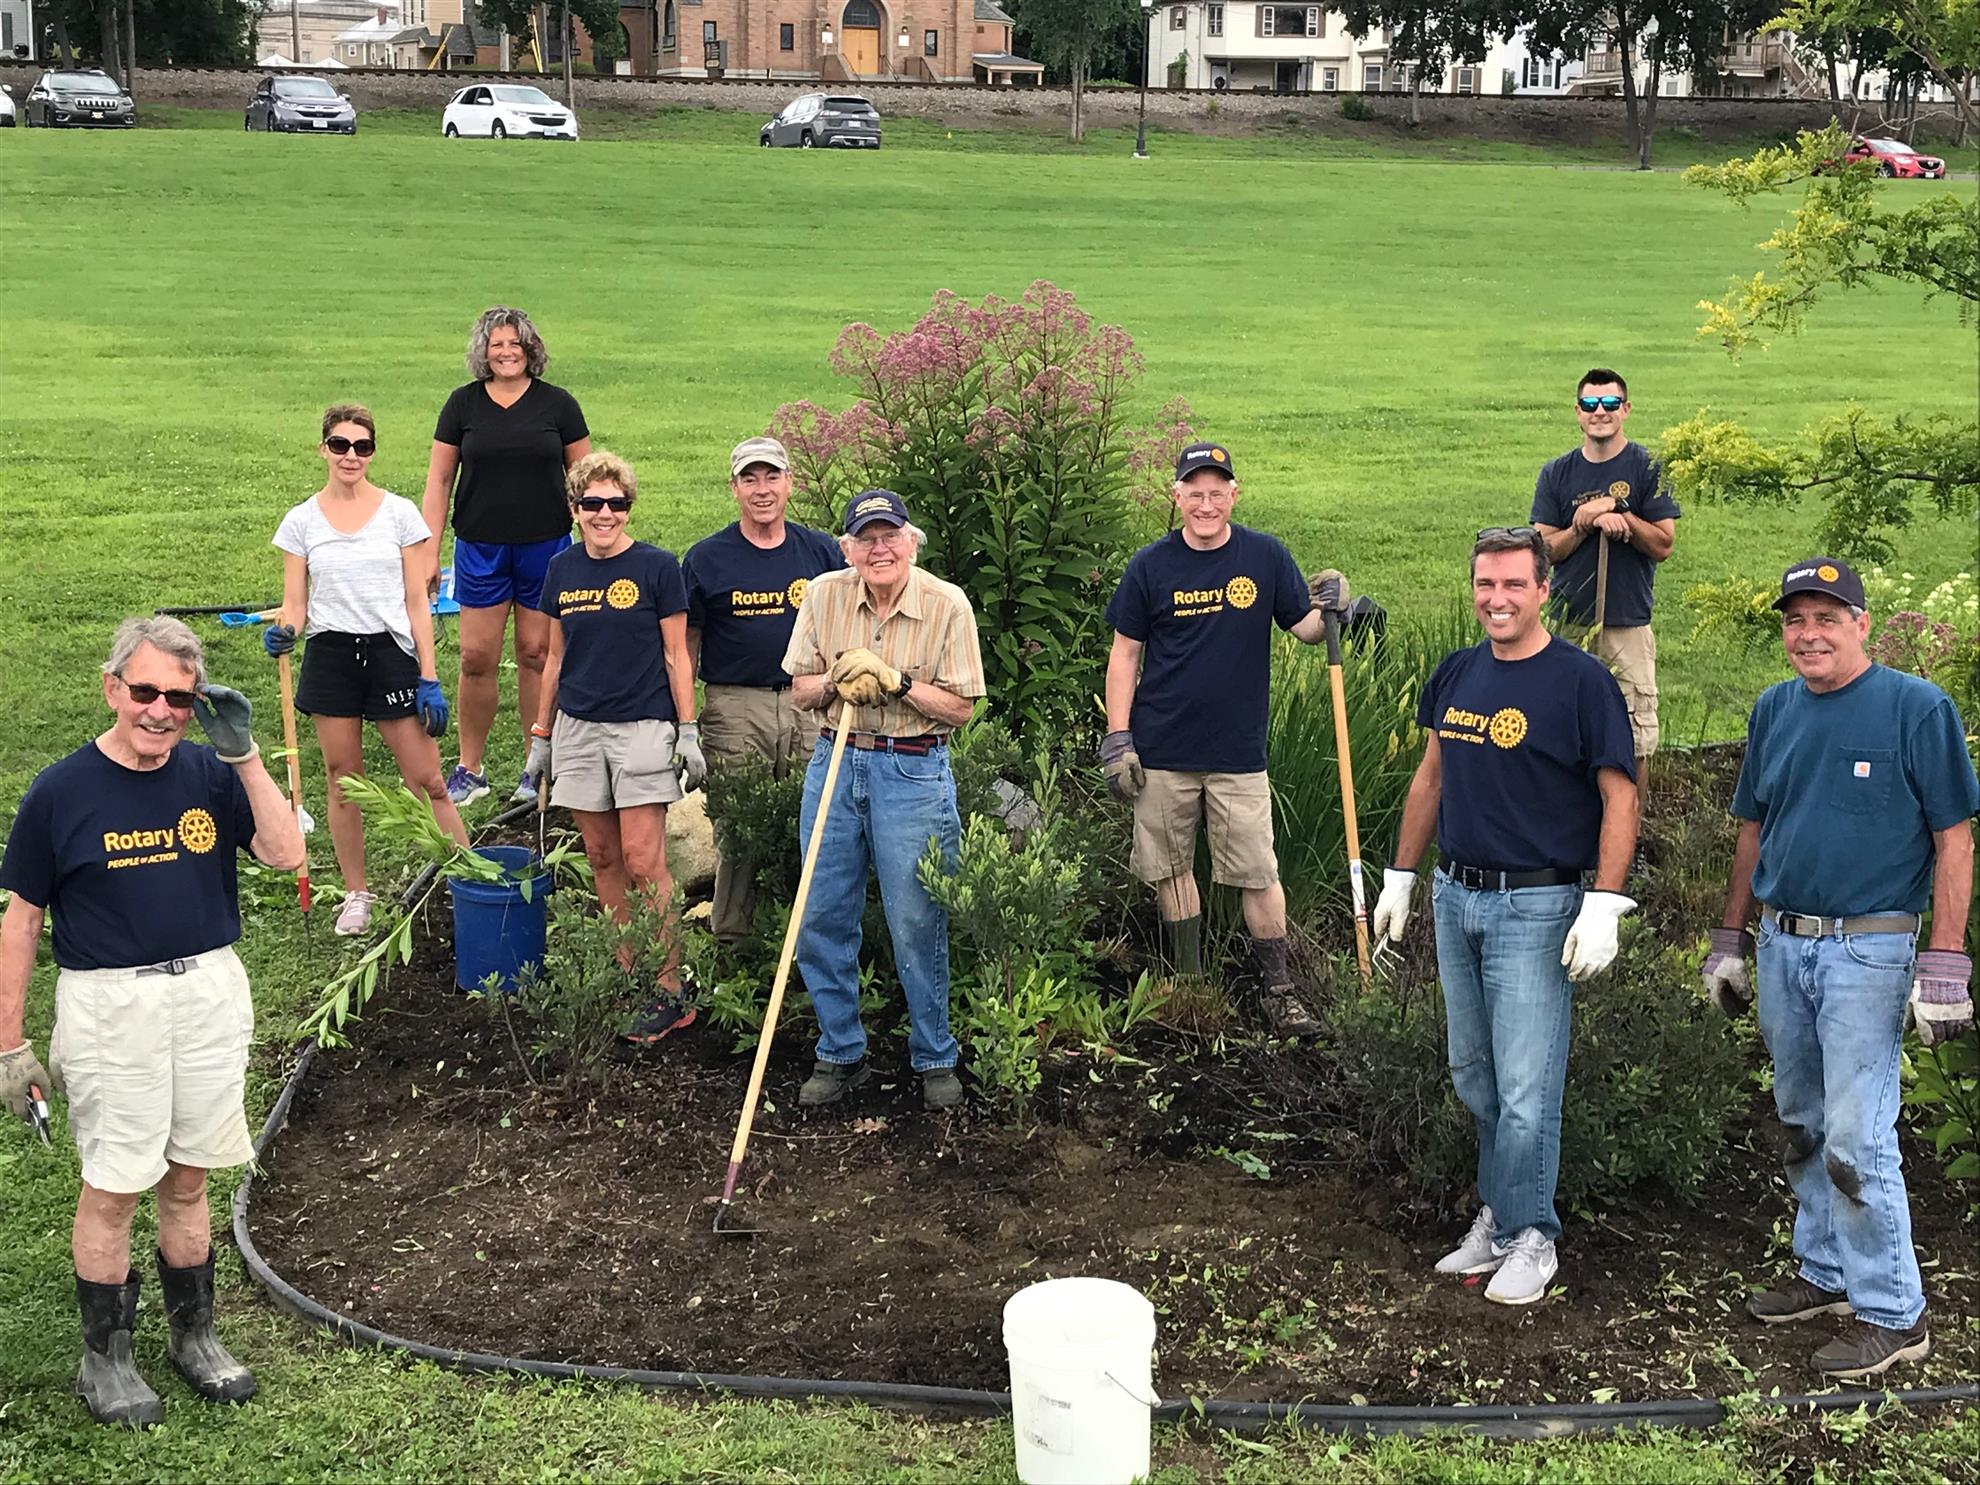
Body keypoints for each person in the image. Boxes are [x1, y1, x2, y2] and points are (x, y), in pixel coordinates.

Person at [0, 618, 305, 1427]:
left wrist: (243, 755)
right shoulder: (60, 791)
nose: (161, 711)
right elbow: (22, 918)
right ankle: (106, 1360)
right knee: (115, 1183)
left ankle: (193, 1338)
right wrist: (10, 1043)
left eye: (179, 696)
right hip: (112, 1003)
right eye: (145, 692)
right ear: (112, 689)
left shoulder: (209, 772)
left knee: (192, 1173)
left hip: (207, 990)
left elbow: (284, 854)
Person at [1701, 557, 1977, 1380]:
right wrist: (1730, 938)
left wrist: (1946, 963)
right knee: (1801, 1118)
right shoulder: (1775, 709)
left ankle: (1895, 1312)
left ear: (1861, 622)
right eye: (1795, 620)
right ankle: (1824, 1272)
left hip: (1870, 946)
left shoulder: (1915, 708)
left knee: (1858, 1135)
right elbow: (1753, 829)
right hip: (1786, 942)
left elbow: (1954, 838)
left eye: (1827, 617)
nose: (1809, 634)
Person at [1368, 526, 1639, 1306]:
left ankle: (1535, 1235)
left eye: (1514, 585)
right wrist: (1402, 876)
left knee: (1527, 1086)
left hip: (1537, 903)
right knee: (1474, 1073)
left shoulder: (1580, 682)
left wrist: (1603, 903)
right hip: (1459, 896)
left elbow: (1621, 795)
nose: (1497, 599)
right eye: (1485, 585)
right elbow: (1431, 778)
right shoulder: (1459, 673)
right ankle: (1500, 1215)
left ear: (1543, 589)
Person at [1100, 441, 1350, 1037]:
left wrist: (1337, 606)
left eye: (1217, 492)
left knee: (1258, 873)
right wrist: (1118, 738)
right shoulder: (1150, 567)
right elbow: (1124, 655)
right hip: (1161, 751)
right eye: (1195, 492)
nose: (1206, 503)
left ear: (1234, 495)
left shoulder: (1263, 556)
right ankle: (1188, 984)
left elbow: (1306, 627)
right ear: (1177, 496)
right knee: (1170, 870)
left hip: (1238, 753)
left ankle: (1279, 992)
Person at [782, 489, 986, 1111]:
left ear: (911, 540)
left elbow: (961, 706)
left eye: (889, 535)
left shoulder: (946, 604)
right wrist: (840, 676)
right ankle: (839, 1051)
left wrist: (895, 682)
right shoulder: (824, 594)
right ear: (847, 548)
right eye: (865, 539)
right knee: (821, 913)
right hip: (835, 764)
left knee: (917, 918)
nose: (879, 548)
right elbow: (800, 689)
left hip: (913, 769)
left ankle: (934, 1057)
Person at [265, 404, 468, 938]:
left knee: (426, 778)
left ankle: (466, 875)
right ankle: (358, 892)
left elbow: (417, 602)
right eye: (340, 445)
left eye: (361, 446)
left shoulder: (400, 515)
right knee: (343, 780)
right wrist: (285, 631)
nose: (350, 455)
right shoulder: (300, 521)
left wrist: (429, 676)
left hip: (390, 654)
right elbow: (295, 604)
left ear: (372, 452)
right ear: (323, 449)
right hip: (331, 655)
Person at [527, 451, 707, 1042]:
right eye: (593, 504)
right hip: (578, 728)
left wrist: (686, 728)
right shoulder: (560, 570)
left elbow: (678, 655)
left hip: (643, 727)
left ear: (629, 507)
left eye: (617, 504)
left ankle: (669, 986)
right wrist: (542, 735)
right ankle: (624, 974)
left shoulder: (658, 568)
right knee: (601, 858)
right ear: (575, 509)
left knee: (642, 858)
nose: (606, 514)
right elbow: (553, 659)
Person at [421, 306, 592, 808]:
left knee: (538, 654)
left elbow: (585, 480)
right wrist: (429, 549)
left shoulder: (559, 406)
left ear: (530, 348)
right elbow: (438, 481)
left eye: (515, 342)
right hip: (480, 546)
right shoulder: (462, 405)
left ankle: (534, 766)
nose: (506, 351)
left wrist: (589, 546)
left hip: (547, 547)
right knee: (476, 658)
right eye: (496, 343)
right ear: (484, 351)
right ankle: (469, 768)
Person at [682, 436, 846, 943]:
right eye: (749, 479)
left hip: (810, 699)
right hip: (735, 703)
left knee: (815, 817)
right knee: (739, 821)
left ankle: (807, 934)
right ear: (734, 488)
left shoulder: (820, 550)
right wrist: (683, 721)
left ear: (789, 482)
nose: (762, 489)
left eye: (771, 476)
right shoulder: (707, 558)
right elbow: (686, 644)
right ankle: (734, 935)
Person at [1530, 368, 1679, 804]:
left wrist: (1622, 515)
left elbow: (1664, 544)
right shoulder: (1557, 473)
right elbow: (1543, 550)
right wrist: (1583, 524)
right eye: (1591, 405)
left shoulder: (1649, 467)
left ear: (1626, 410)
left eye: (1610, 404)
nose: (1601, 413)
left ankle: (1626, 839)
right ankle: (1569, 827)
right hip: (1569, 620)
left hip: (1626, 622)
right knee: (1563, 729)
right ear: (1578, 413)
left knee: (1634, 740)